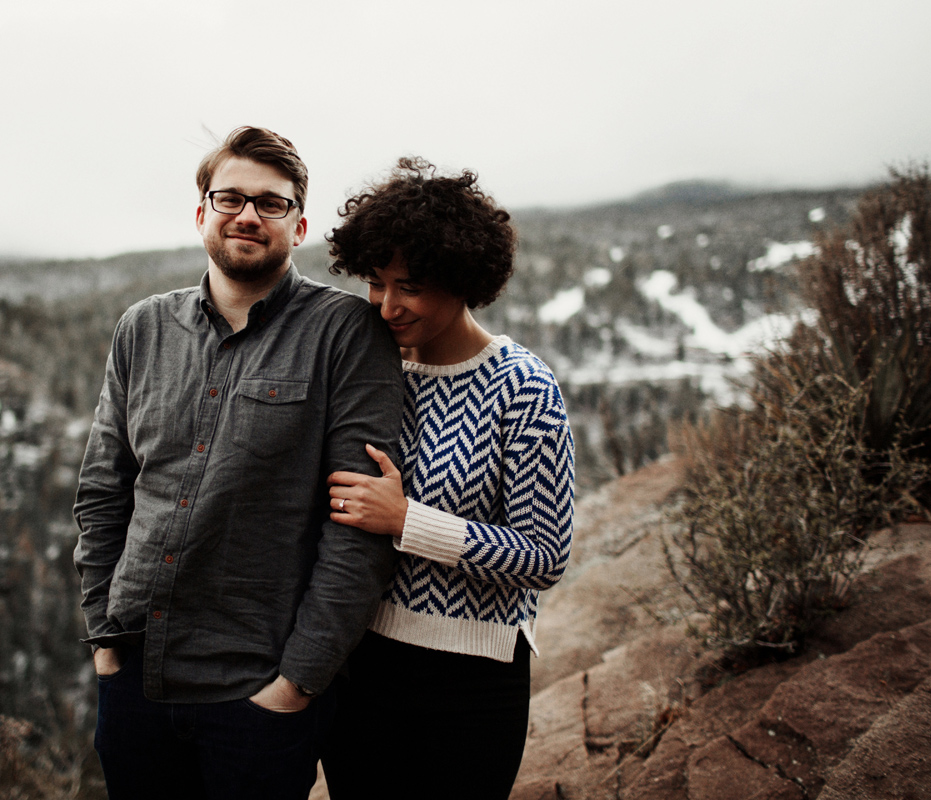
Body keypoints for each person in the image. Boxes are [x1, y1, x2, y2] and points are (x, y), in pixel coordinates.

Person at [72, 126, 404, 799]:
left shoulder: (345, 334)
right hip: (137, 678)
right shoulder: (143, 327)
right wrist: (105, 641)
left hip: (256, 693)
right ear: (202, 214)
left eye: (270, 203)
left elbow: (358, 527)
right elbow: (104, 490)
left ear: (299, 224)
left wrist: (296, 683)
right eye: (229, 198)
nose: (247, 215)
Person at [320, 157, 576, 799]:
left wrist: (407, 522)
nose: (385, 305)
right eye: (377, 282)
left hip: (470, 681)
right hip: (360, 668)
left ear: (463, 279)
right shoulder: (374, 371)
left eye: (409, 285)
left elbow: (545, 555)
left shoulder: (523, 387)